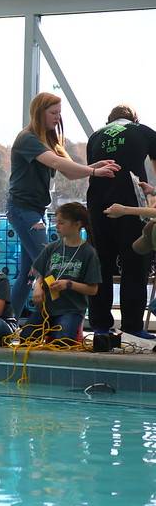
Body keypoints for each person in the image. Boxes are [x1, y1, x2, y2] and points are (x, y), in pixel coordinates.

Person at [7, 92, 118, 318]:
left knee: (28, 274)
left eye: (59, 113)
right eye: (53, 113)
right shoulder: (27, 139)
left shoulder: (47, 138)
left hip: (37, 210)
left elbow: (68, 171)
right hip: (23, 210)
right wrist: (94, 171)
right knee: (51, 264)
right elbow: (56, 162)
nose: (58, 118)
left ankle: (8, 320)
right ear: (40, 114)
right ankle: (52, 319)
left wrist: (93, 166)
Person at [86, 105, 156, 339]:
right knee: (135, 262)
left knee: (102, 264)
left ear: (109, 120)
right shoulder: (142, 130)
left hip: (98, 206)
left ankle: (100, 327)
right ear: (134, 119)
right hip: (130, 204)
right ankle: (133, 327)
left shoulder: (95, 136)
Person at [20, 202, 101, 341]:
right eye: (57, 222)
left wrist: (69, 284)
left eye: (62, 223)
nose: (57, 226)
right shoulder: (52, 248)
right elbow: (40, 273)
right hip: (47, 308)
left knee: (62, 340)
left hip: (71, 309)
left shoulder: (88, 253)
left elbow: (93, 289)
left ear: (77, 224)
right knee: (26, 337)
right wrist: (37, 287)